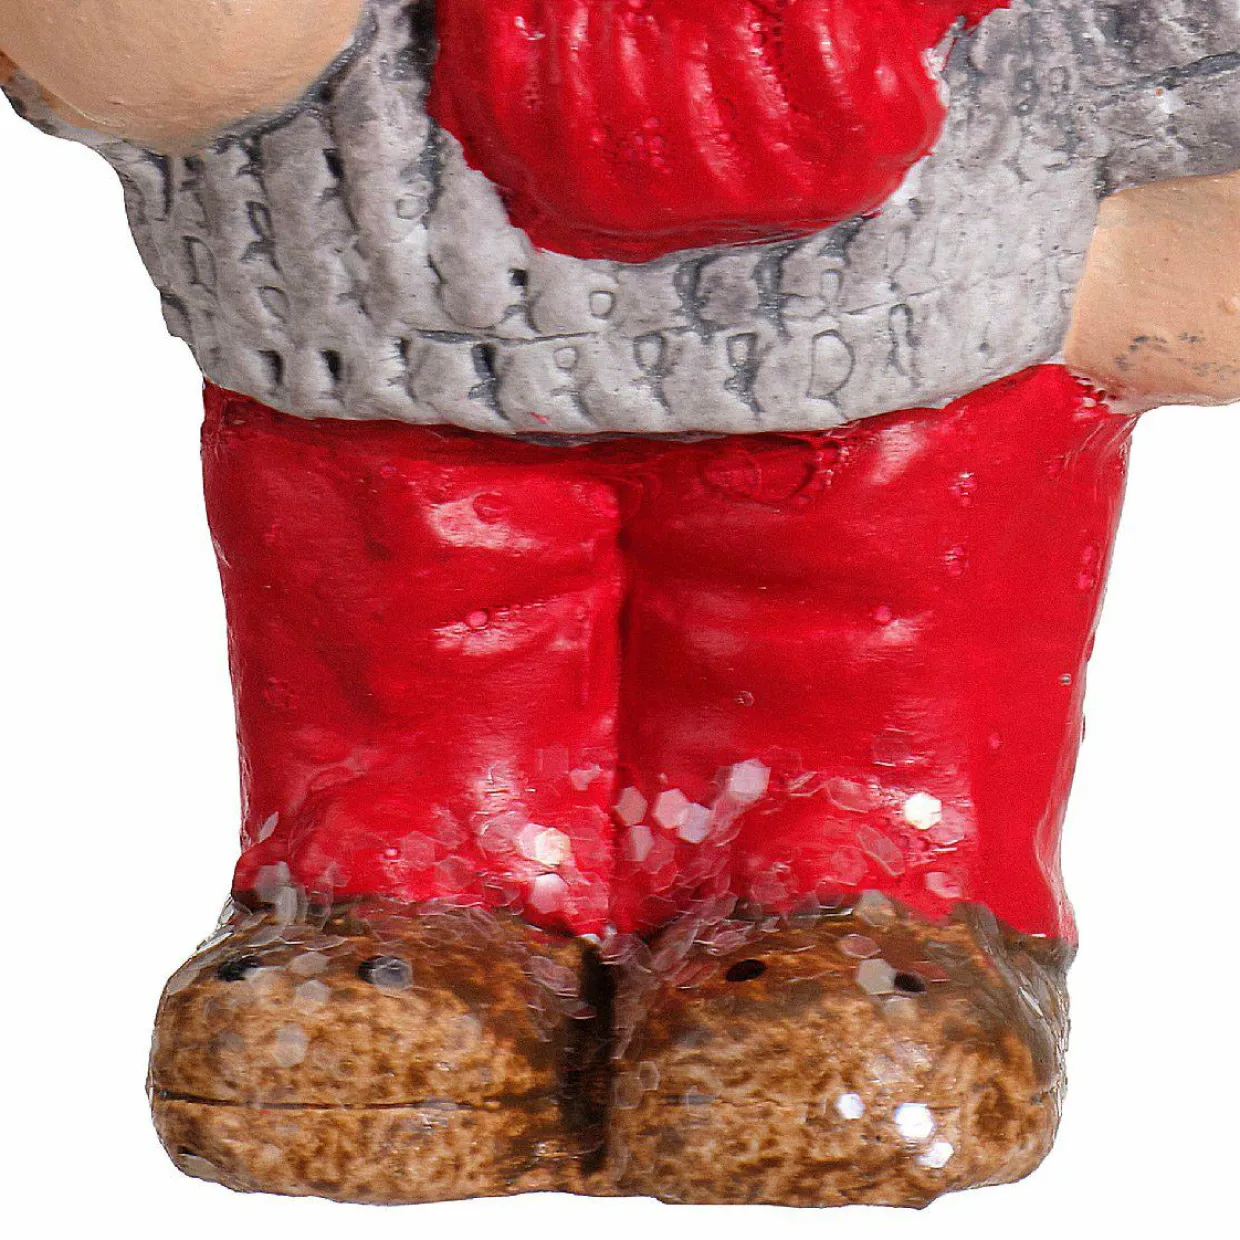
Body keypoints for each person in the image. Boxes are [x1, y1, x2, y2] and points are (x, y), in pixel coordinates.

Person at [2, 0, 1238, 1207]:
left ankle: (852, 906)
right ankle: (401, 902)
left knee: (858, 635)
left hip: (912, 312)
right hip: (371, 293)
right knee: (405, 624)